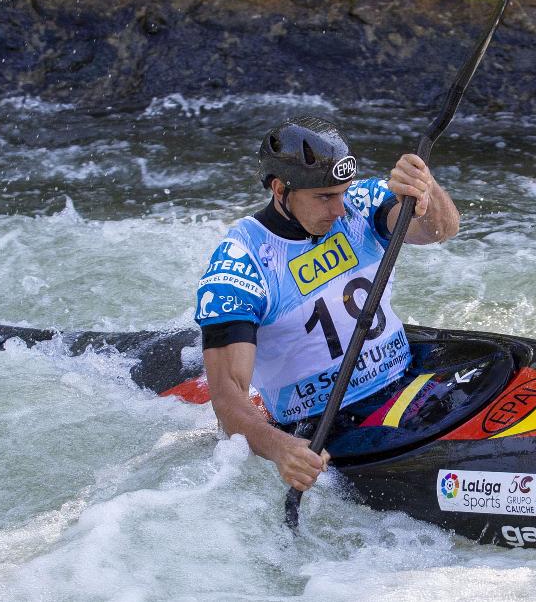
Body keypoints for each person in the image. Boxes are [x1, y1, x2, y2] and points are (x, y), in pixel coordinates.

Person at [194, 115, 460, 492]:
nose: (339, 209)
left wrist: (425, 191)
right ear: (279, 189)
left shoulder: (359, 203)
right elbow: (226, 397)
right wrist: (281, 448)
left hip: (405, 384)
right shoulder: (239, 268)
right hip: (330, 423)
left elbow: (440, 230)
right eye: (324, 197)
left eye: (341, 191)